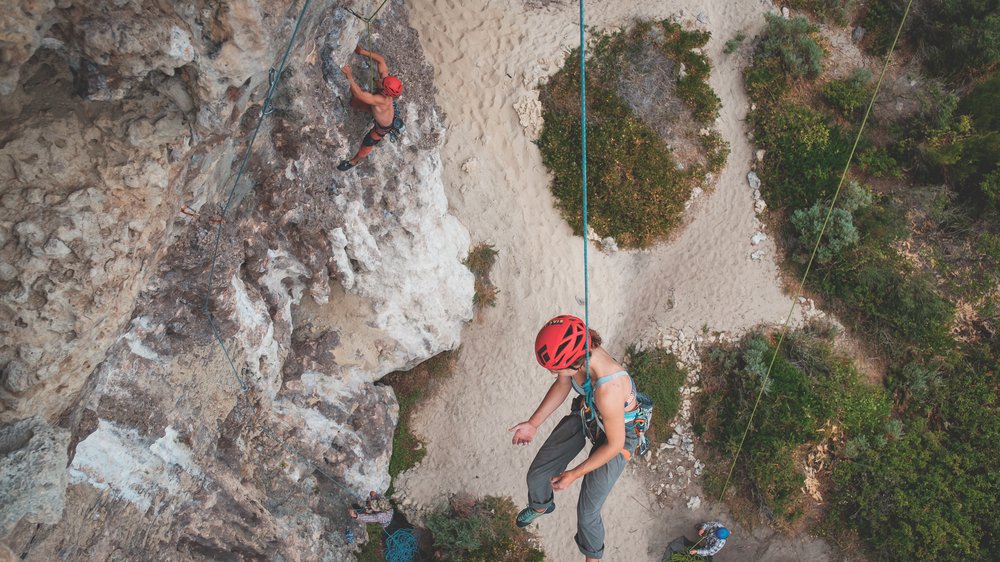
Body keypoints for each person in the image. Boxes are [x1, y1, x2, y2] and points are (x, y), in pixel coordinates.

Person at [509, 314, 647, 562]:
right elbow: (563, 383)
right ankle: (541, 506)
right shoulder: (578, 349)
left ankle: (592, 557)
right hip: (589, 414)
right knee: (537, 475)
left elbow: (614, 445)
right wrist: (533, 423)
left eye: (555, 367)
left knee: (587, 512)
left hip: (618, 437)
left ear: (576, 362)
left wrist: (573, 473)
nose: (552, 371)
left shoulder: (609, 388)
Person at [337, 45, 404, 172]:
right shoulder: (386, 85)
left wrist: (349, 76)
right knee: (354, 103)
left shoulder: (381, 100)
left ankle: (353, 161)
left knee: (368, 143)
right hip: (385, 113)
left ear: (385, 91)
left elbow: (360, 94)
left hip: (383, 126)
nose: (380, 80)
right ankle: (368, 110)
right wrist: (363, 52)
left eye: (382, 82)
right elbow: (381, 60)